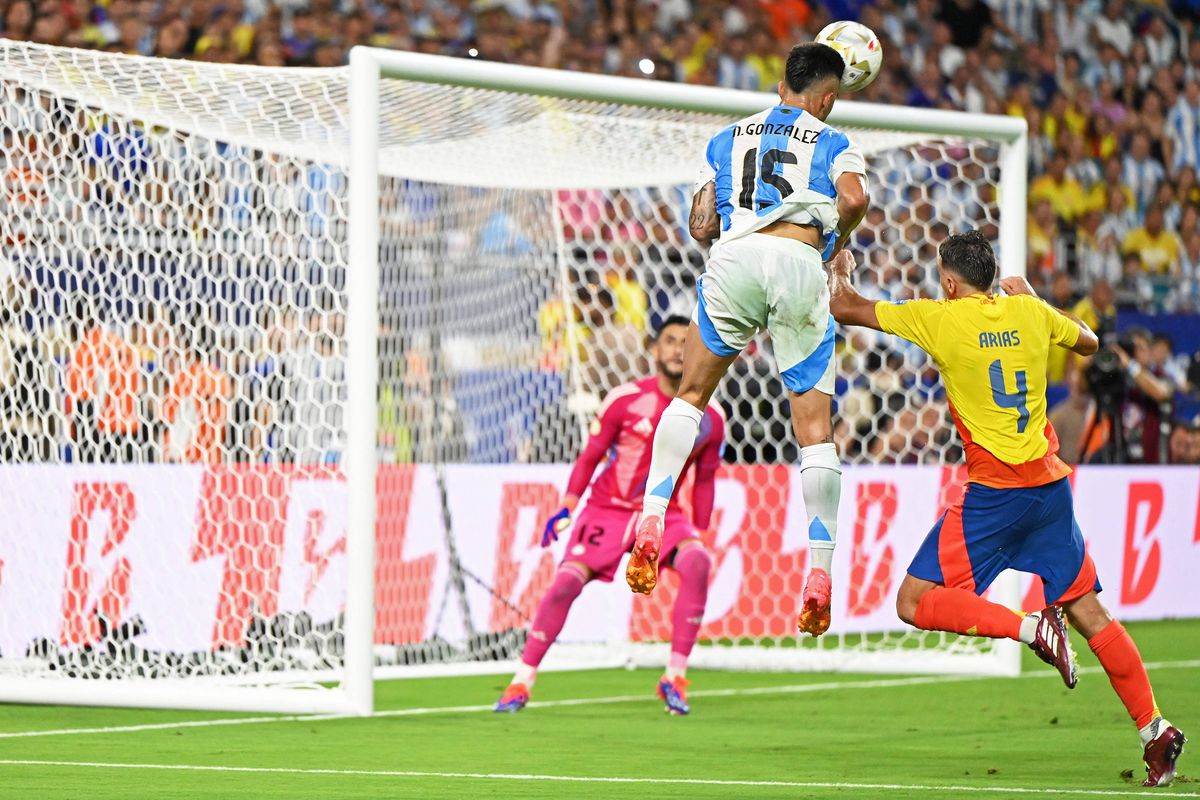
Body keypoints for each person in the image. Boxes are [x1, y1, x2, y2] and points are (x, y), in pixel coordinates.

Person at [827, 230, 1186, 787]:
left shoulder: (940, 318)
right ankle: (1154, 730)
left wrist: (839, 267)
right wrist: (1038, 300)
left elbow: (844, 307)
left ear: (950, 283)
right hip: (1049, 491)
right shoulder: (1029, 311)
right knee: (1089, 611)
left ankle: (1030, 629)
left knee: (912, 601)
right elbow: (1090, 343)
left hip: (996, 496)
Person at [630, 43, 868, 641]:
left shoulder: (725, 138)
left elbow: (701, 225)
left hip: (733, 258)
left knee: (690, 395)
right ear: (828, 99)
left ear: (781, 85)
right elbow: (855, 199)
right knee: (814, 433)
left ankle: (652, 516)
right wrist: (835, 243)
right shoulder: (834, 140)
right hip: (797, 260)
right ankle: (819, 571)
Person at [495, 316, 724, 716]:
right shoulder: (624, 399)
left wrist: (701, 532)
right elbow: (591, 456)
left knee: (698, 562)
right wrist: (568, 505)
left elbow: (705, 480)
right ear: (654, 349)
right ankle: (521, 680)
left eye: (685, 342)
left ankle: (675, 678)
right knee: (566, 583)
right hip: (608, 509)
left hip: (662, 516)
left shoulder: (712, 417)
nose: (677, 349)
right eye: (670, 340)